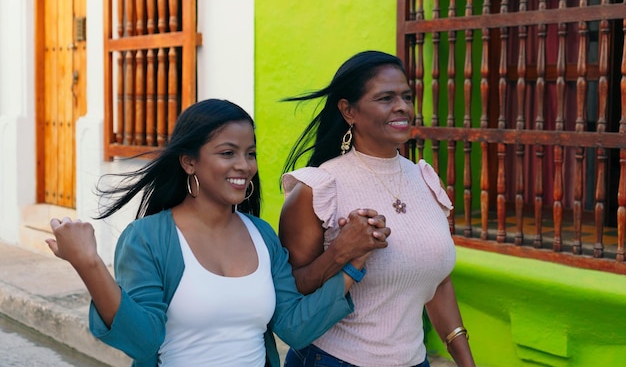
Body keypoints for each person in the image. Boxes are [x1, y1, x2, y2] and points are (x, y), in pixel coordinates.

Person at [46, 99, 391, 367]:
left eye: (250, 153)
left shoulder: (262, 235)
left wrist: (353, 263)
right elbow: (143, 341)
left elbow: (292, 327)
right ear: (189, 162)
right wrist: (89, 264)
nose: (244, 165)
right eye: (228, 153)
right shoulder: (147, 238)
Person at [279, 51, 476, 367]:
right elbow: (291, 291)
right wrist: (342, 251)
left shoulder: (424, 178)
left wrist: (466, 361)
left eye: (407, 97)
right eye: (386, 98)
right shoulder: (317, 188)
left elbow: (437, 280)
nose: (402, 107)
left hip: (414, 360)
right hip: (334, 360)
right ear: (349, 111)